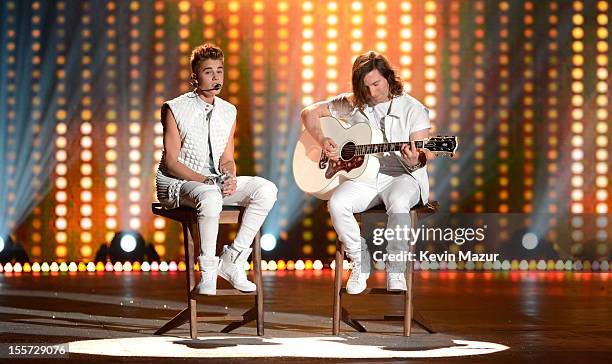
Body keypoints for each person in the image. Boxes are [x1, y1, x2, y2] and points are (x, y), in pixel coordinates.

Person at [300, 51, 432, 294]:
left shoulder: (413, 109)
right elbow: (308, 113)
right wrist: (322, 139)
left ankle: (395, 269)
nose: (371, 92)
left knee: (398, 200)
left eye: (376, 83)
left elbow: (422, 154)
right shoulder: (352, 104)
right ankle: (360, 261)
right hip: (365, 178)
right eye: (365, 86)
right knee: (337, 203)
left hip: (403, 176)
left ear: (389, 78)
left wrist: (415, 160)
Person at [156, 43, 277, 295]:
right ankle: (208, 271)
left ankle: (233, 260)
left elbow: (226, 158)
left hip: (212, 182)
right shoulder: (175, 108)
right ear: (195, 77)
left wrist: (230, 175)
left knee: (266, 189)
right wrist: (207, 182)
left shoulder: (228, 111)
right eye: (208, 71)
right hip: (177, 183)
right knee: (210, 197)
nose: (215, 77)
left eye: (219, 71)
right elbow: (171, 162)